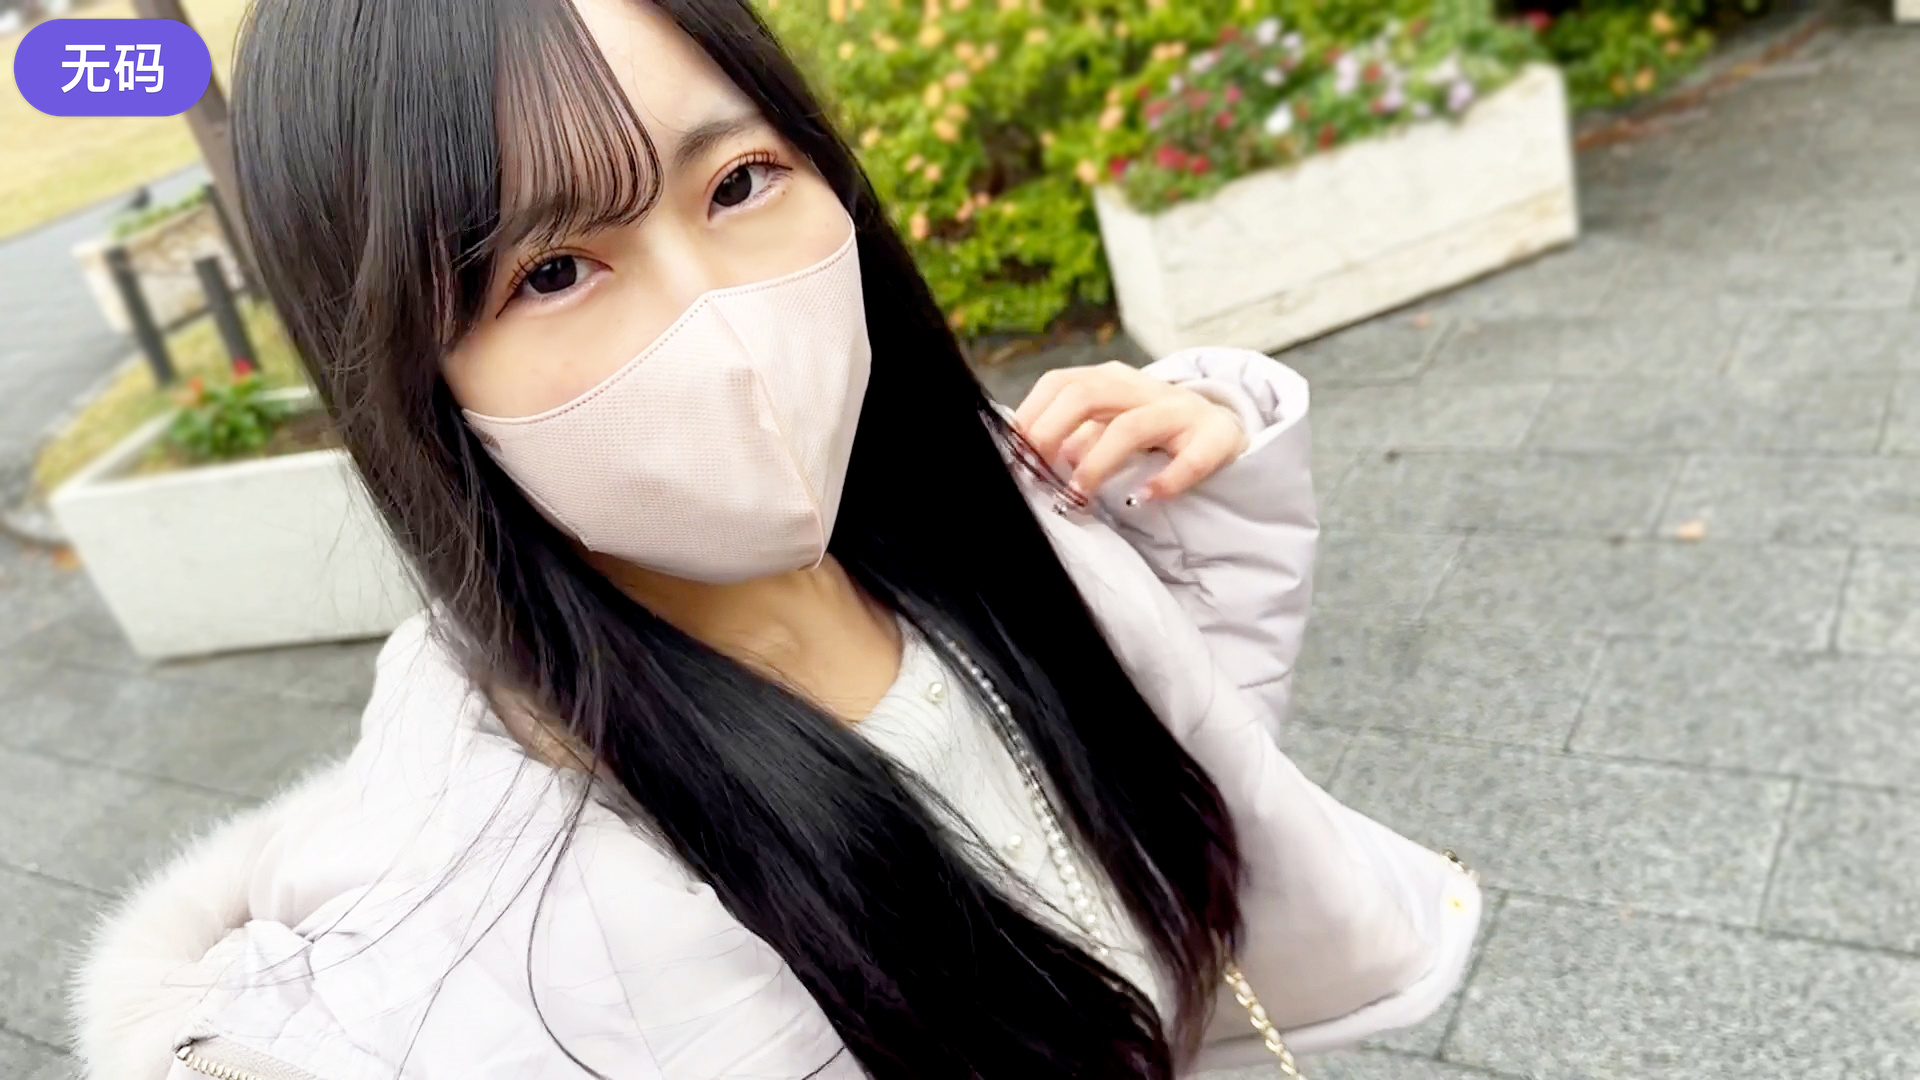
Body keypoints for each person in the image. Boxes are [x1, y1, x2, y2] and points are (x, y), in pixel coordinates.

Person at [70, 1, 1481, 1077]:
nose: (718, 321)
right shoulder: (523, 933)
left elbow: (1173, 758)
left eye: (739, 182)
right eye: (553, 271)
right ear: (406, 371)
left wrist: (1184, 485)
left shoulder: (980, 528)